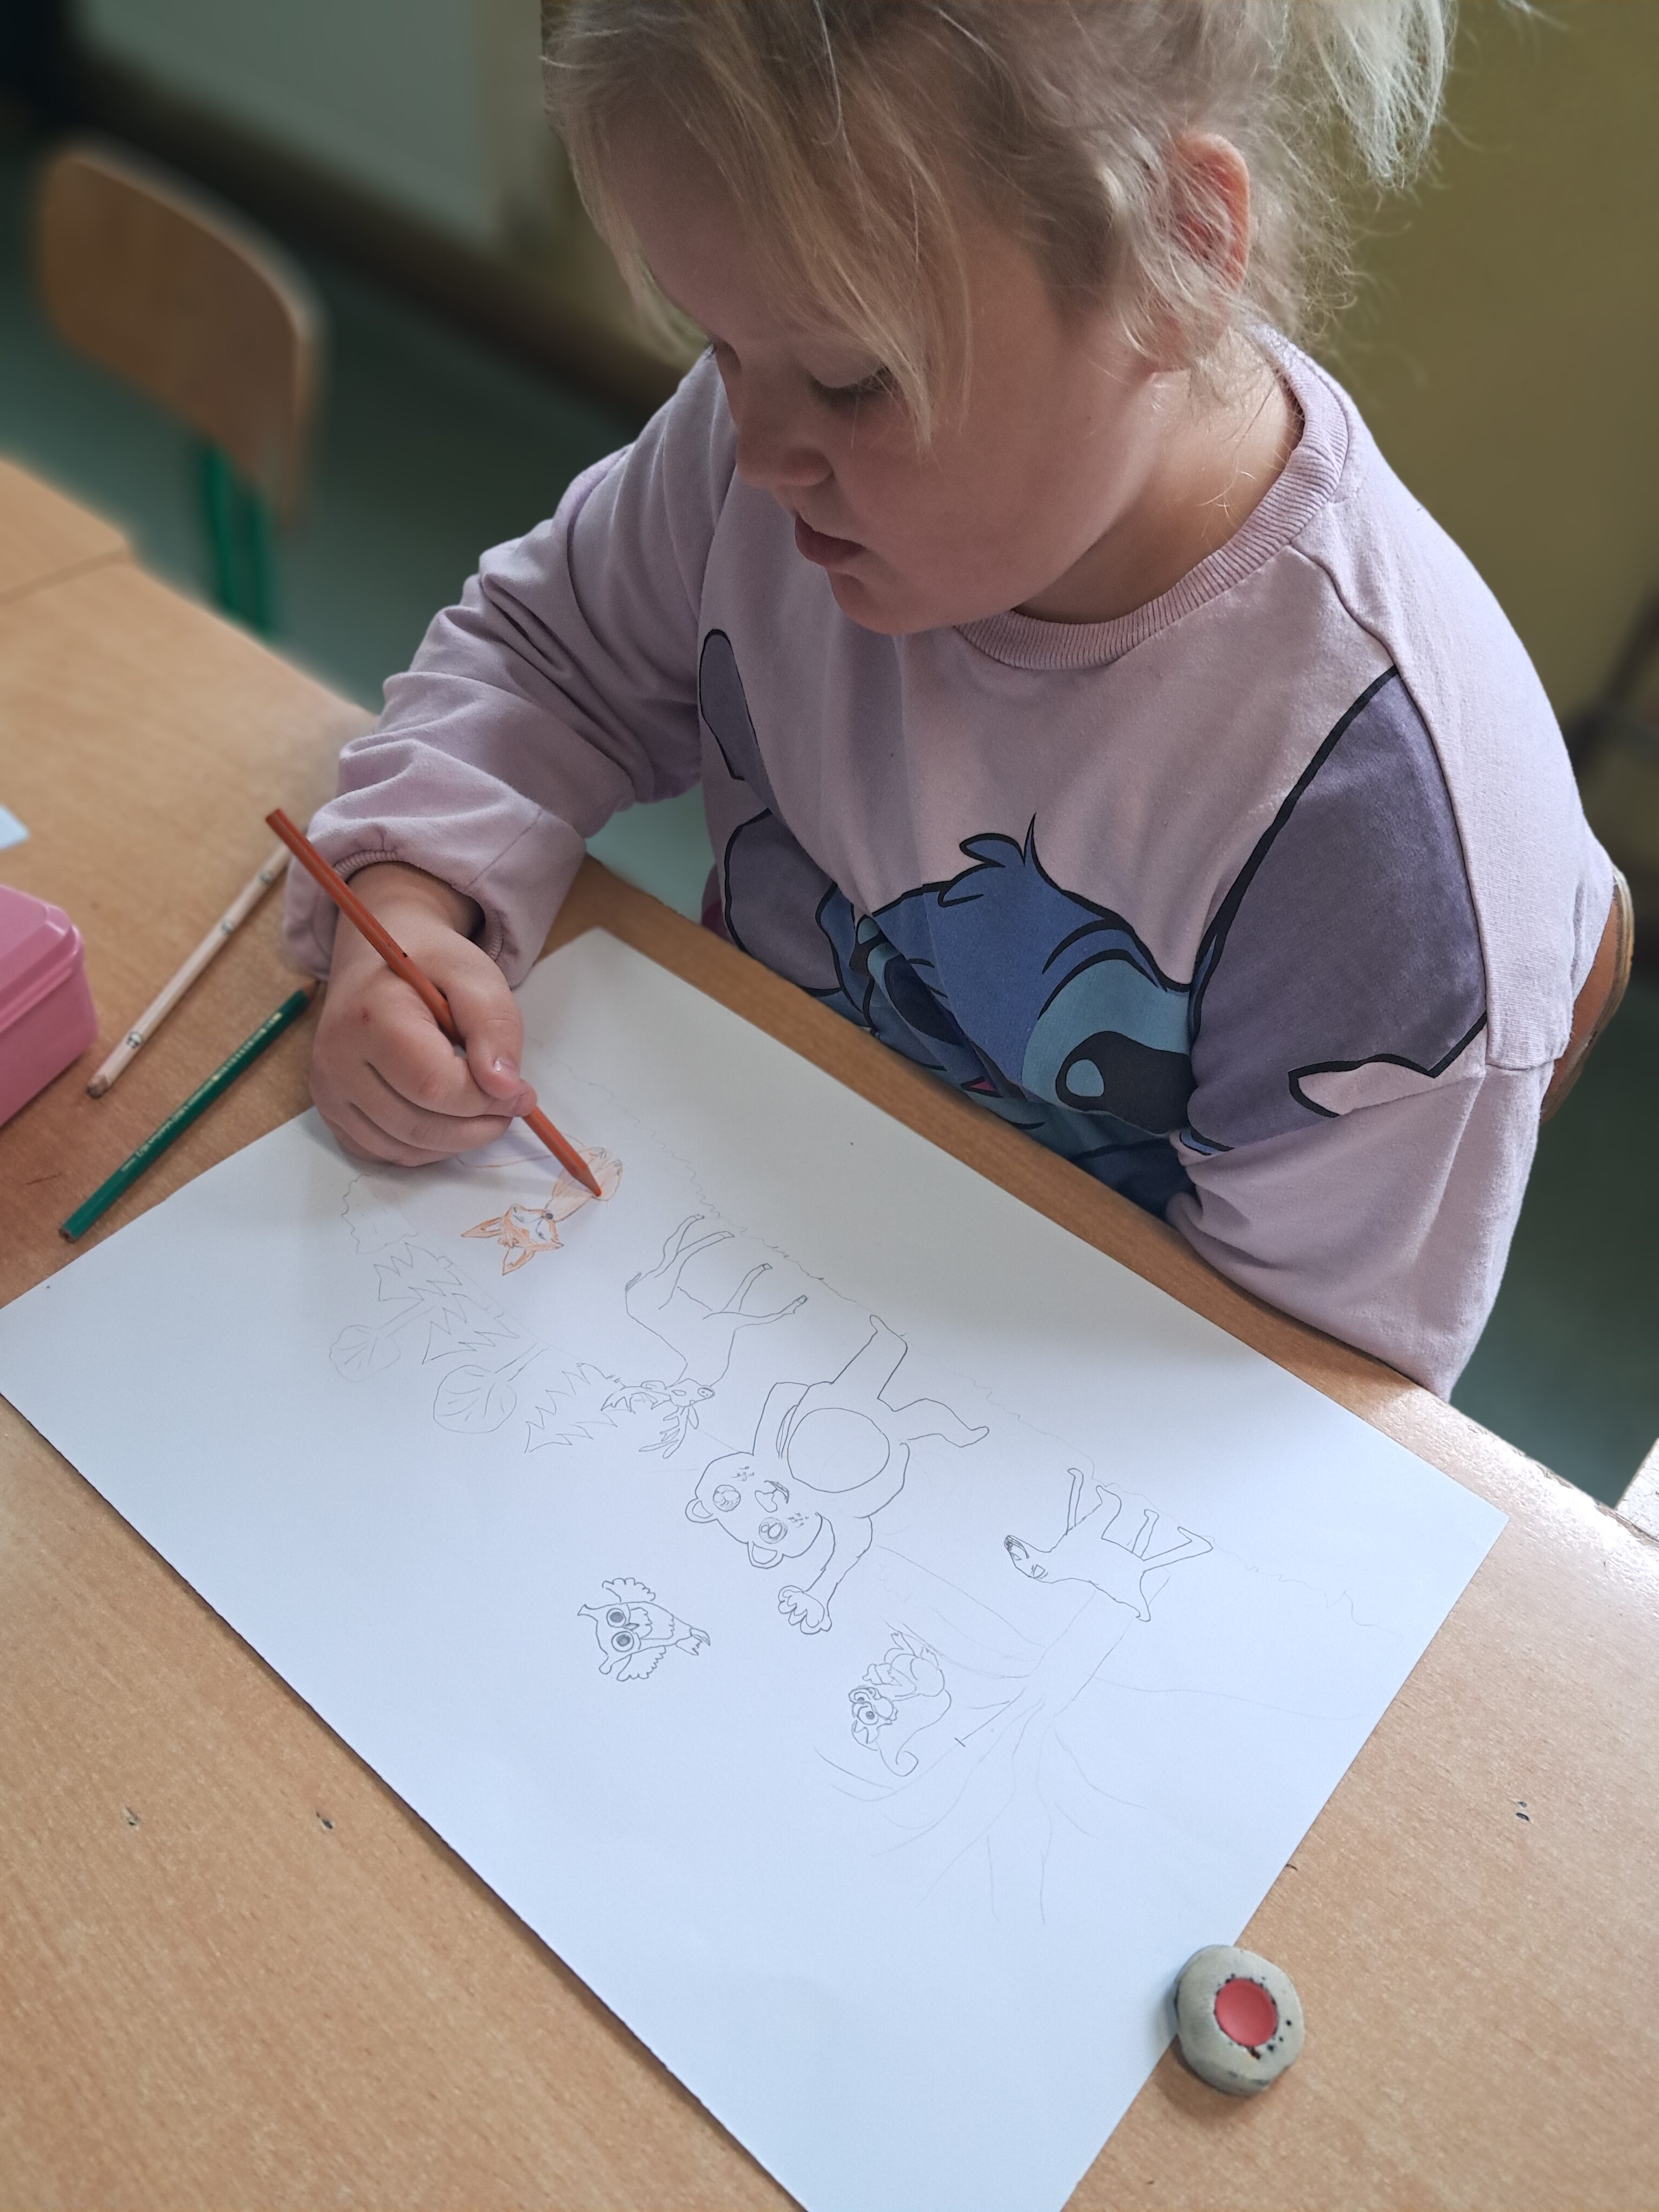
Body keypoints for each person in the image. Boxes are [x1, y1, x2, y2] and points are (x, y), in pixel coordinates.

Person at [285, 0, 1612, 1397]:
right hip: (740, 1238)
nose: (759, 450)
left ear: (1175, 260)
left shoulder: (1371, 829)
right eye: (719, 345)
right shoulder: (779, 451)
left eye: (856, 382)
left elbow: (1293, 1401)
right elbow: (548, 656)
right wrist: (412, 903)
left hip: (1026, 1408)